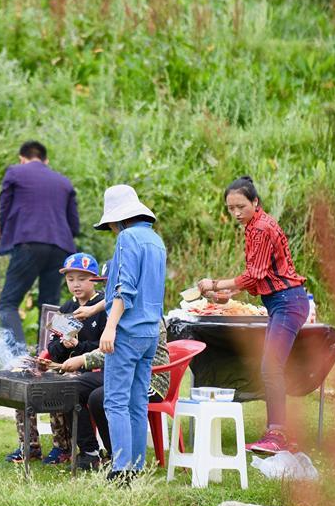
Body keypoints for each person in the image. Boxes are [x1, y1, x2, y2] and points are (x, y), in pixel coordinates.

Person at [197, 176, 308, 454]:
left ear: (255, 202)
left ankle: (277, 435)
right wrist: (228, 295)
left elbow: (253, 275)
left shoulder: (260, 228)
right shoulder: (254, 225)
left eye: (240, 206)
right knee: (271, 368)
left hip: (287, 302)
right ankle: (280, 433)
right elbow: (262, 277)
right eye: (230, 208)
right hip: (281, 301)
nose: (235, 213)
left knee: (271, 368)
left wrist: (216, 284)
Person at [93, 185, 166, 483]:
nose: (111, 230)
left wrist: (109, 327)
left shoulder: (127, 237)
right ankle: (136, 467)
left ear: (120, 219)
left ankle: (121, 469)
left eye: (111, 224)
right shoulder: (156, 240)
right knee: (138, 401)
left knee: (115, 401)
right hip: (150, 333)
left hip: (126, 331)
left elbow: (125, 287)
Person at [4, 253, 106, 465]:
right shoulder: (67, 309)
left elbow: (103, 348)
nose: (76, 284)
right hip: (64, 365)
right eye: (70, 280)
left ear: (95, 279)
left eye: (82, 278)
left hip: (92, 370)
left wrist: (79, 346)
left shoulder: (102, 307)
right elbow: (53, 346)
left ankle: (63, 446)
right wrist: (62, 345)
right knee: (26, 380)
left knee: (58, 385)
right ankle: (29, 445)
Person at [0, 141, 80, 352]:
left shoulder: (16, 172)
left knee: (7, 303)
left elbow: (4, 209)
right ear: (46, 160)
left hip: (29, 242)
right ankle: (47, 356)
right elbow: (74, 225)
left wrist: (6, 237)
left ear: (22, 158)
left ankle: (19, 356)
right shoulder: (64, 182)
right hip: (61, 246)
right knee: (50, 308)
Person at [59, 318, 171, 472]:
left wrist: (84, 359)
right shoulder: (120, 312)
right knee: (72, 388)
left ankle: (117, 456)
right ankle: (90, 452)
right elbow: (109, 345)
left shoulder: (146, 316)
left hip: (149, 379)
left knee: (99, 398)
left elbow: (126, 351)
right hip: (120, 372)